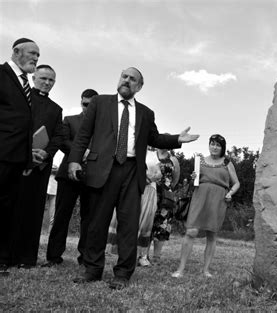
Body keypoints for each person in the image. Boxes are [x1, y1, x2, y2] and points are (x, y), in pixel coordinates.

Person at [68, 67, 199, 290]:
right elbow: (83, 135)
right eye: (124, 76)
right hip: (102, 169)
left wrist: (178, 138)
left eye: (133, 79)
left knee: (129, 225)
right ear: (119, 79)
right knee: (97, 222)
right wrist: (74, 160)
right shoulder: (100, 103)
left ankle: (122, 273)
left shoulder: (146, 113)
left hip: (132, 172)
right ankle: (92, 269)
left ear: (139, 87)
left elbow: (155, 138)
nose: (127, 81)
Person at [12, 64, 64, 268]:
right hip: (17, 162)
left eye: (51, 80)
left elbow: (59, 136)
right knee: (11, 210)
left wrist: (46, 152)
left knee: (33, 214)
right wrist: (26, 150)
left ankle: (27, 259)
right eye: (43, 78)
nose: (47, 83)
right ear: (34, 78)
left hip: (40, 167)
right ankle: (7, 256)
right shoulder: (21, 101)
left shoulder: (56, 109)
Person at [43, 89, 98, 267]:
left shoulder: (104, 125)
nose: (88, 108)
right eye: (85, 104)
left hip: (92, 176)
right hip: (68, 175)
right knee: (61, 216)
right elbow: (63, 142)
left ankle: (85, 258)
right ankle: (53, 257)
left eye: (92, 105)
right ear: (81, 102)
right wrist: (83, 153)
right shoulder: (70, 120)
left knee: (89, 218)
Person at [172, 134, 240, 278]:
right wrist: (192, 178)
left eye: (218, 145)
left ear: (222, 148)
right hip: (200, 196)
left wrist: (230, 194)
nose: (214, 147)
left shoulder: (227, 162)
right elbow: (194, 181)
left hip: (218, 199)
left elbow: (236, 183)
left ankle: (206, 270)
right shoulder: (200, 160)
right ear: (209, 145)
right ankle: (180, 269)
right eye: (212, 144)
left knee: (212, 234)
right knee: (191, 231)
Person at [0, 38, 40, 276]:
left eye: (38, 55)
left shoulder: (25, 83)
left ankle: (3, 258)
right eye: (32, 53)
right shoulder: (2, 74)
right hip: (1, 154)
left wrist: (27, 158)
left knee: (7, 209)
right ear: (16, 52)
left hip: (16, 158)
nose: (36, 58)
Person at [145, 147, 180, 265]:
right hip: (151, 191)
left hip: (166, 197)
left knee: (162, 226)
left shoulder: (173, 159)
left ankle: (156, 257)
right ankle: (144, 255)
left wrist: (168, 188)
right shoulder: (151, 155)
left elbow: (176, 178)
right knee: (148, 223)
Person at [46, 166, 58, 232]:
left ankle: (49, 234)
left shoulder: (62, 155)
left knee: (53, 215)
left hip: (55, 186)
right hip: (44, 183)